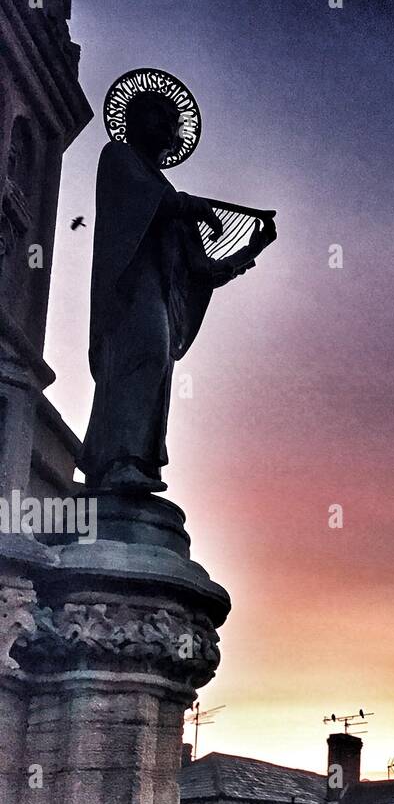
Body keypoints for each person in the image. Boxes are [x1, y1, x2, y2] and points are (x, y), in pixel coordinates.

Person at [80, 81, 276, 494]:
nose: (169, 129)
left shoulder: (169, 194)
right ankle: (118, 461)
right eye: (161, 117)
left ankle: (137, 464)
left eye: (174, 123)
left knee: (157, 365)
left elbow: (202, 271)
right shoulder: (118, 158)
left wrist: (248, 252)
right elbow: (144, 201)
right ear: (135, 120)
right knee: (142, 356)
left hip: (158, 299)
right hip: (129, 296)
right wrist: (189, 205)